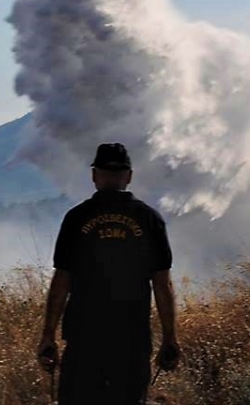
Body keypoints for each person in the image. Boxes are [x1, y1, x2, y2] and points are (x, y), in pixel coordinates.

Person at [37, 143, 181, 405]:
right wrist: (170, 337)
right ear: (128, 176)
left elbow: (62, 282)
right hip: (131, 337)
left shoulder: (77, 218)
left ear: (95, 176)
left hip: (84, 336)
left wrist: (48, 335)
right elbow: (162, 285)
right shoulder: (149, 219)